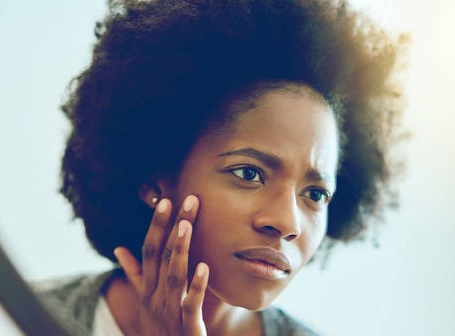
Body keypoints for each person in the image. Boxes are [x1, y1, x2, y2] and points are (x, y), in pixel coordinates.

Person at [37, 0, 406, 335]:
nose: (287, 223)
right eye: (249, 173)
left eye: (315, 194)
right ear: (157, 177)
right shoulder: (13, 312)